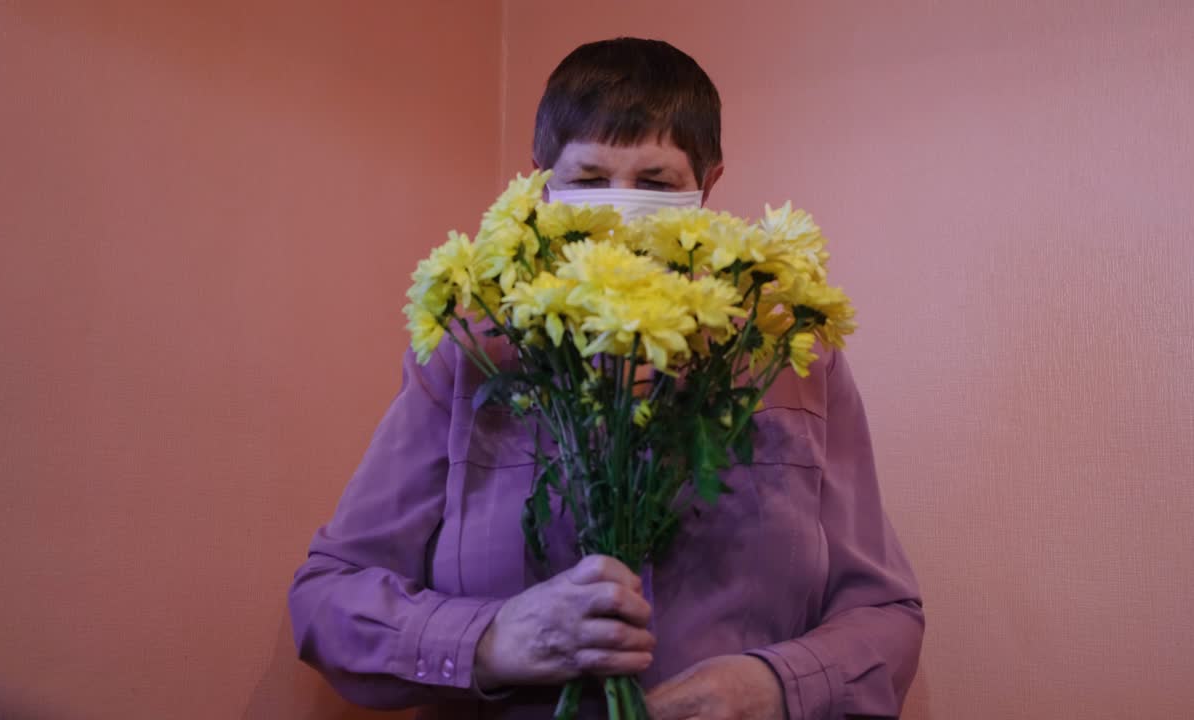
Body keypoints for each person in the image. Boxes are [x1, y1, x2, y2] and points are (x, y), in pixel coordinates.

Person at [288, 37, 923, 720]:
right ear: (539, 184)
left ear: (707, 187)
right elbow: (327, 600)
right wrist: (493, 641)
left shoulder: (787, 357)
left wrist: (776, 686)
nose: (620, 208)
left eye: (655, 184)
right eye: (589, 181)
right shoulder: (472, 354)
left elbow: (885, 614)